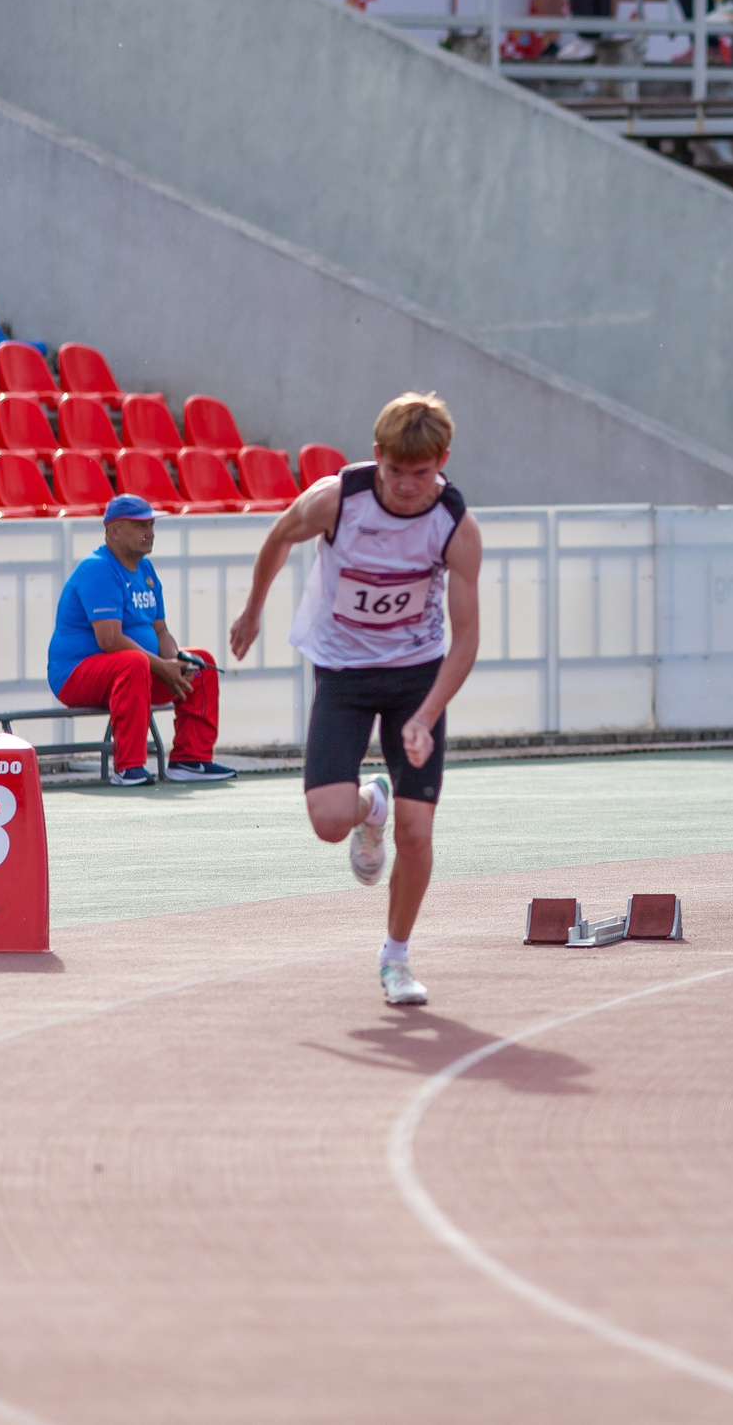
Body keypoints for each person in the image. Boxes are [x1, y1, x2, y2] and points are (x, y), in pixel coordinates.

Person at [227, 393, 484, 1007]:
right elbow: (279, 534)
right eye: (395, 471)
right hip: (343, 670)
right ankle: (370, 804)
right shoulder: (337, 500)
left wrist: (425, 716)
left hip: (415, 676)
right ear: (378, 458)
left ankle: (395, 957)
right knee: (327, 822)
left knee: (418, 829)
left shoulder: (455, 526)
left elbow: (468, 637)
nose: (405, 486)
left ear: (442, 462)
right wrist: (253, 611)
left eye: (420, 474)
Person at [47, 496, 235, 787]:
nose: (150, 532)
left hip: (133, 671)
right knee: (133, 663)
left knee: (201, 661)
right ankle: (129, 767)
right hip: (75, 675)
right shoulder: (98, 569)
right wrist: (161, 666)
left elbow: (160, 630)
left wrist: (175, 660)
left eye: (151, 524)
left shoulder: (146, 570)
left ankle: (190, 759)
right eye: (140, 525)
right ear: (114, 530)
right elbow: (110, 640)